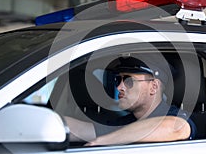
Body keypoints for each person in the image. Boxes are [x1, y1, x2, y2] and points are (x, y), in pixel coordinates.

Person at [65, 55, 196, 146]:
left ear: (154, 87)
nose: (119, 87)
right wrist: (50, 121)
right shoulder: (126, 122)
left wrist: (103, 141)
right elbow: (81, 130)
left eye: (128, 81)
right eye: (118, 80)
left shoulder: (174, 116)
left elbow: (177, 128)